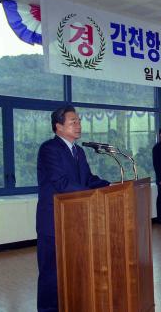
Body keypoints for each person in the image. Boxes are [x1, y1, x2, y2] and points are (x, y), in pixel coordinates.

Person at [37, 105, 110, 311]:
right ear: (58, 126)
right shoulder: (49, 149)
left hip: (75, 220)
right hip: (53, 221)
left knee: (73, 270)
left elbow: (86, 179)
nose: (79, 125)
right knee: (51, 273)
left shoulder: (78, 151)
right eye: (73, 122)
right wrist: (91, 194)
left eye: (79, 121)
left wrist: (110, 185)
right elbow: (62, 183)